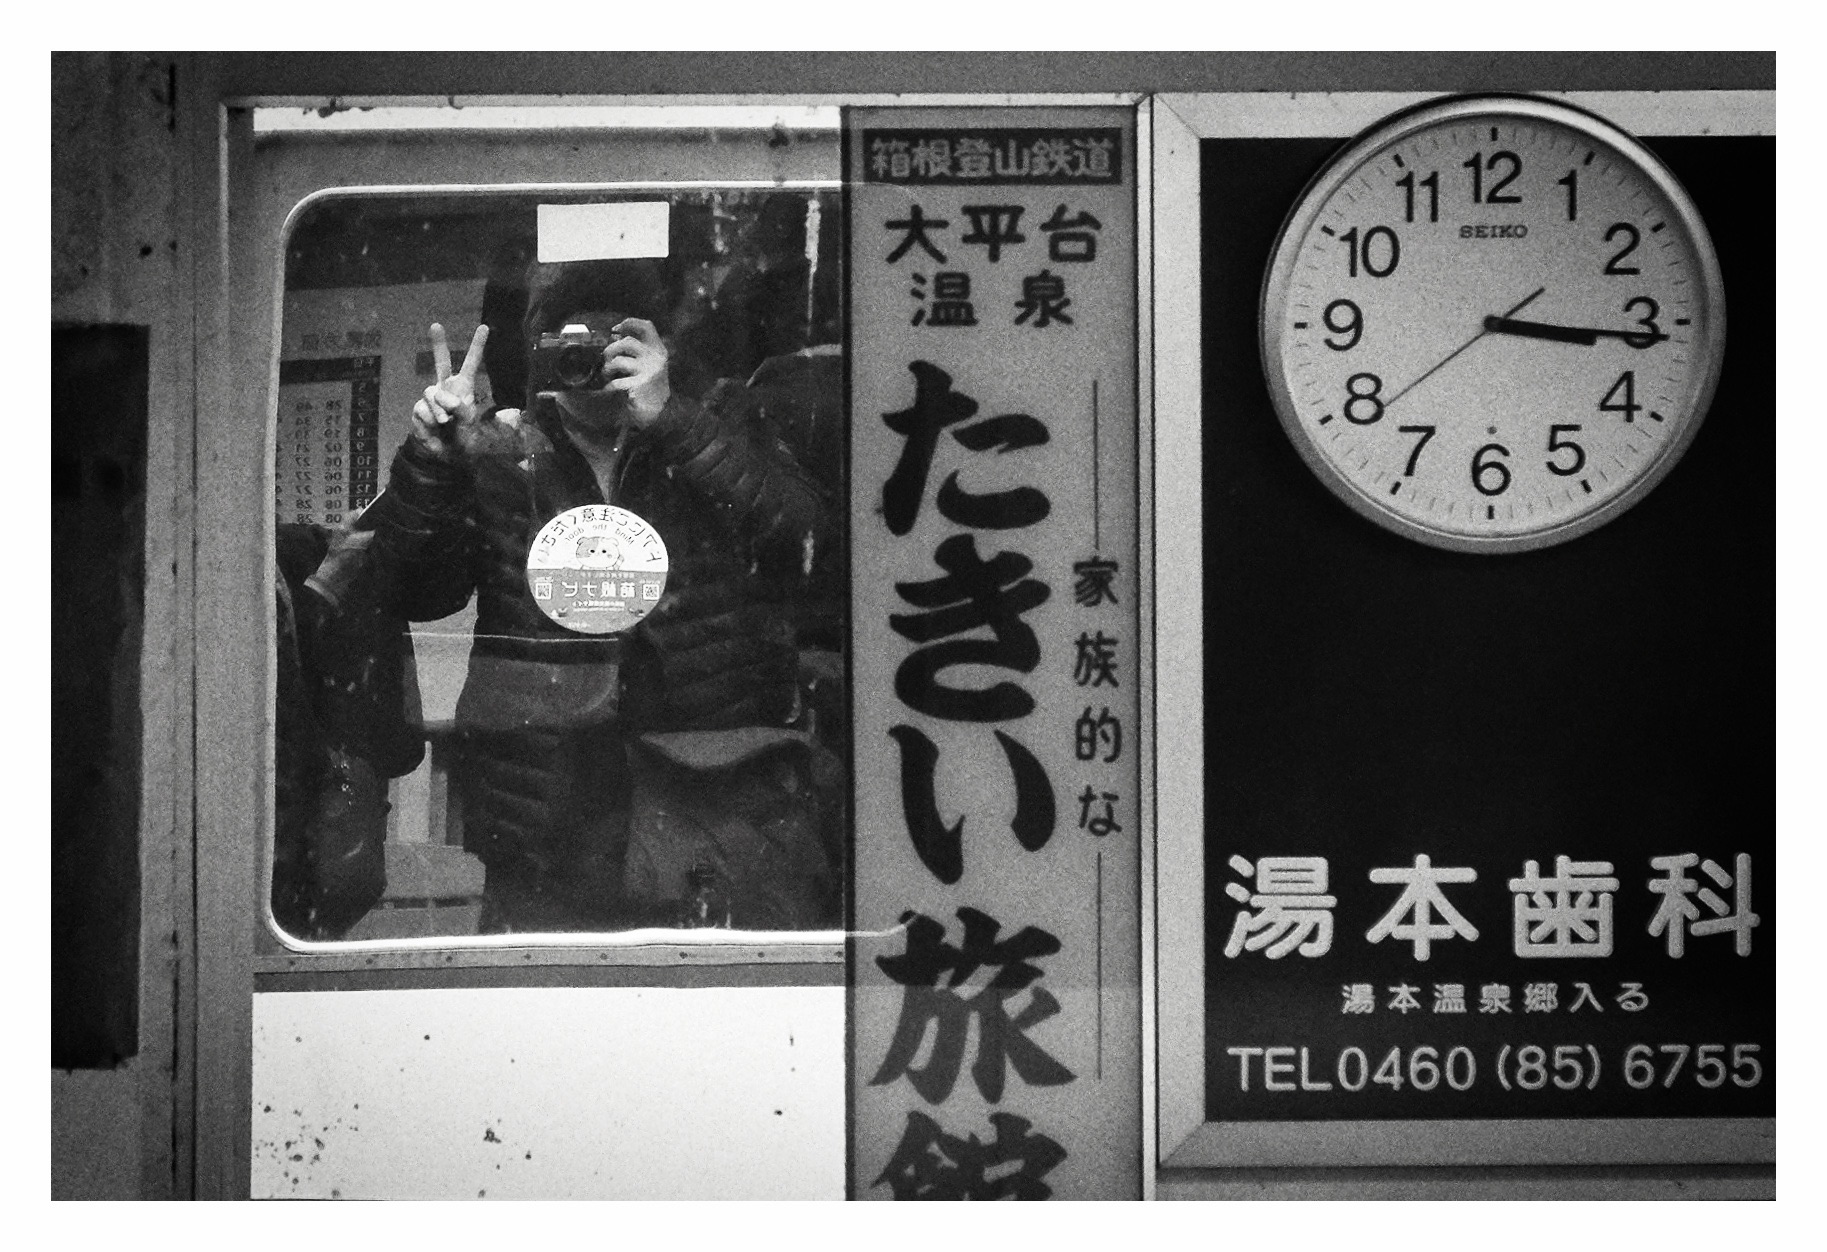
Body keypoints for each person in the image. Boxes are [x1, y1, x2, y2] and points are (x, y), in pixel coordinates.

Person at [354, 260, 840, 932]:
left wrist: (673, 417)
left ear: (658, 349)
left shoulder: (719, 425)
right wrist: (435, 458)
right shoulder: (503, 452)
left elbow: (807, 551)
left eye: (616, 347)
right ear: (539, 357)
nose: (592, 365)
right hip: (544, 813)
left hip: (713, 801)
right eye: (570, 351)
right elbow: (412, 590)